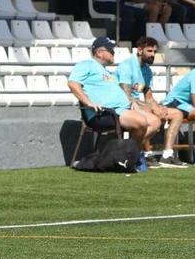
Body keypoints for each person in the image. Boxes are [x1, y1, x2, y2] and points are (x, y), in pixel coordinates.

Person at [67, 37, 162, 169]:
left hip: (121, 110)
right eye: (111, 50)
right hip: (104, 113)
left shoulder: (106, 71)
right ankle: (130, 157)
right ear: (100, 52)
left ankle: (129, 155)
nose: (114, 52)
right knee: (141, 121)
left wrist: (131, 103)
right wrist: (88, 102)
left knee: (155, 122)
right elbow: (72, 83)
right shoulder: (86, 64)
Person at [116, 37, 188, 168]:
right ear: (139, 50)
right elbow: (125, 96)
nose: (152, 55)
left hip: (140, 105)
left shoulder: (147, 71)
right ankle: (141, 153)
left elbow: (148, 96)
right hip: (126, 107)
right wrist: (151, 108)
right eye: (149, 51)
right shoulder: (127, 65)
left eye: (154, 52)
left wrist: (158, 108)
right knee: (151, 113)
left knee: (176, 114)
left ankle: (167, 155)